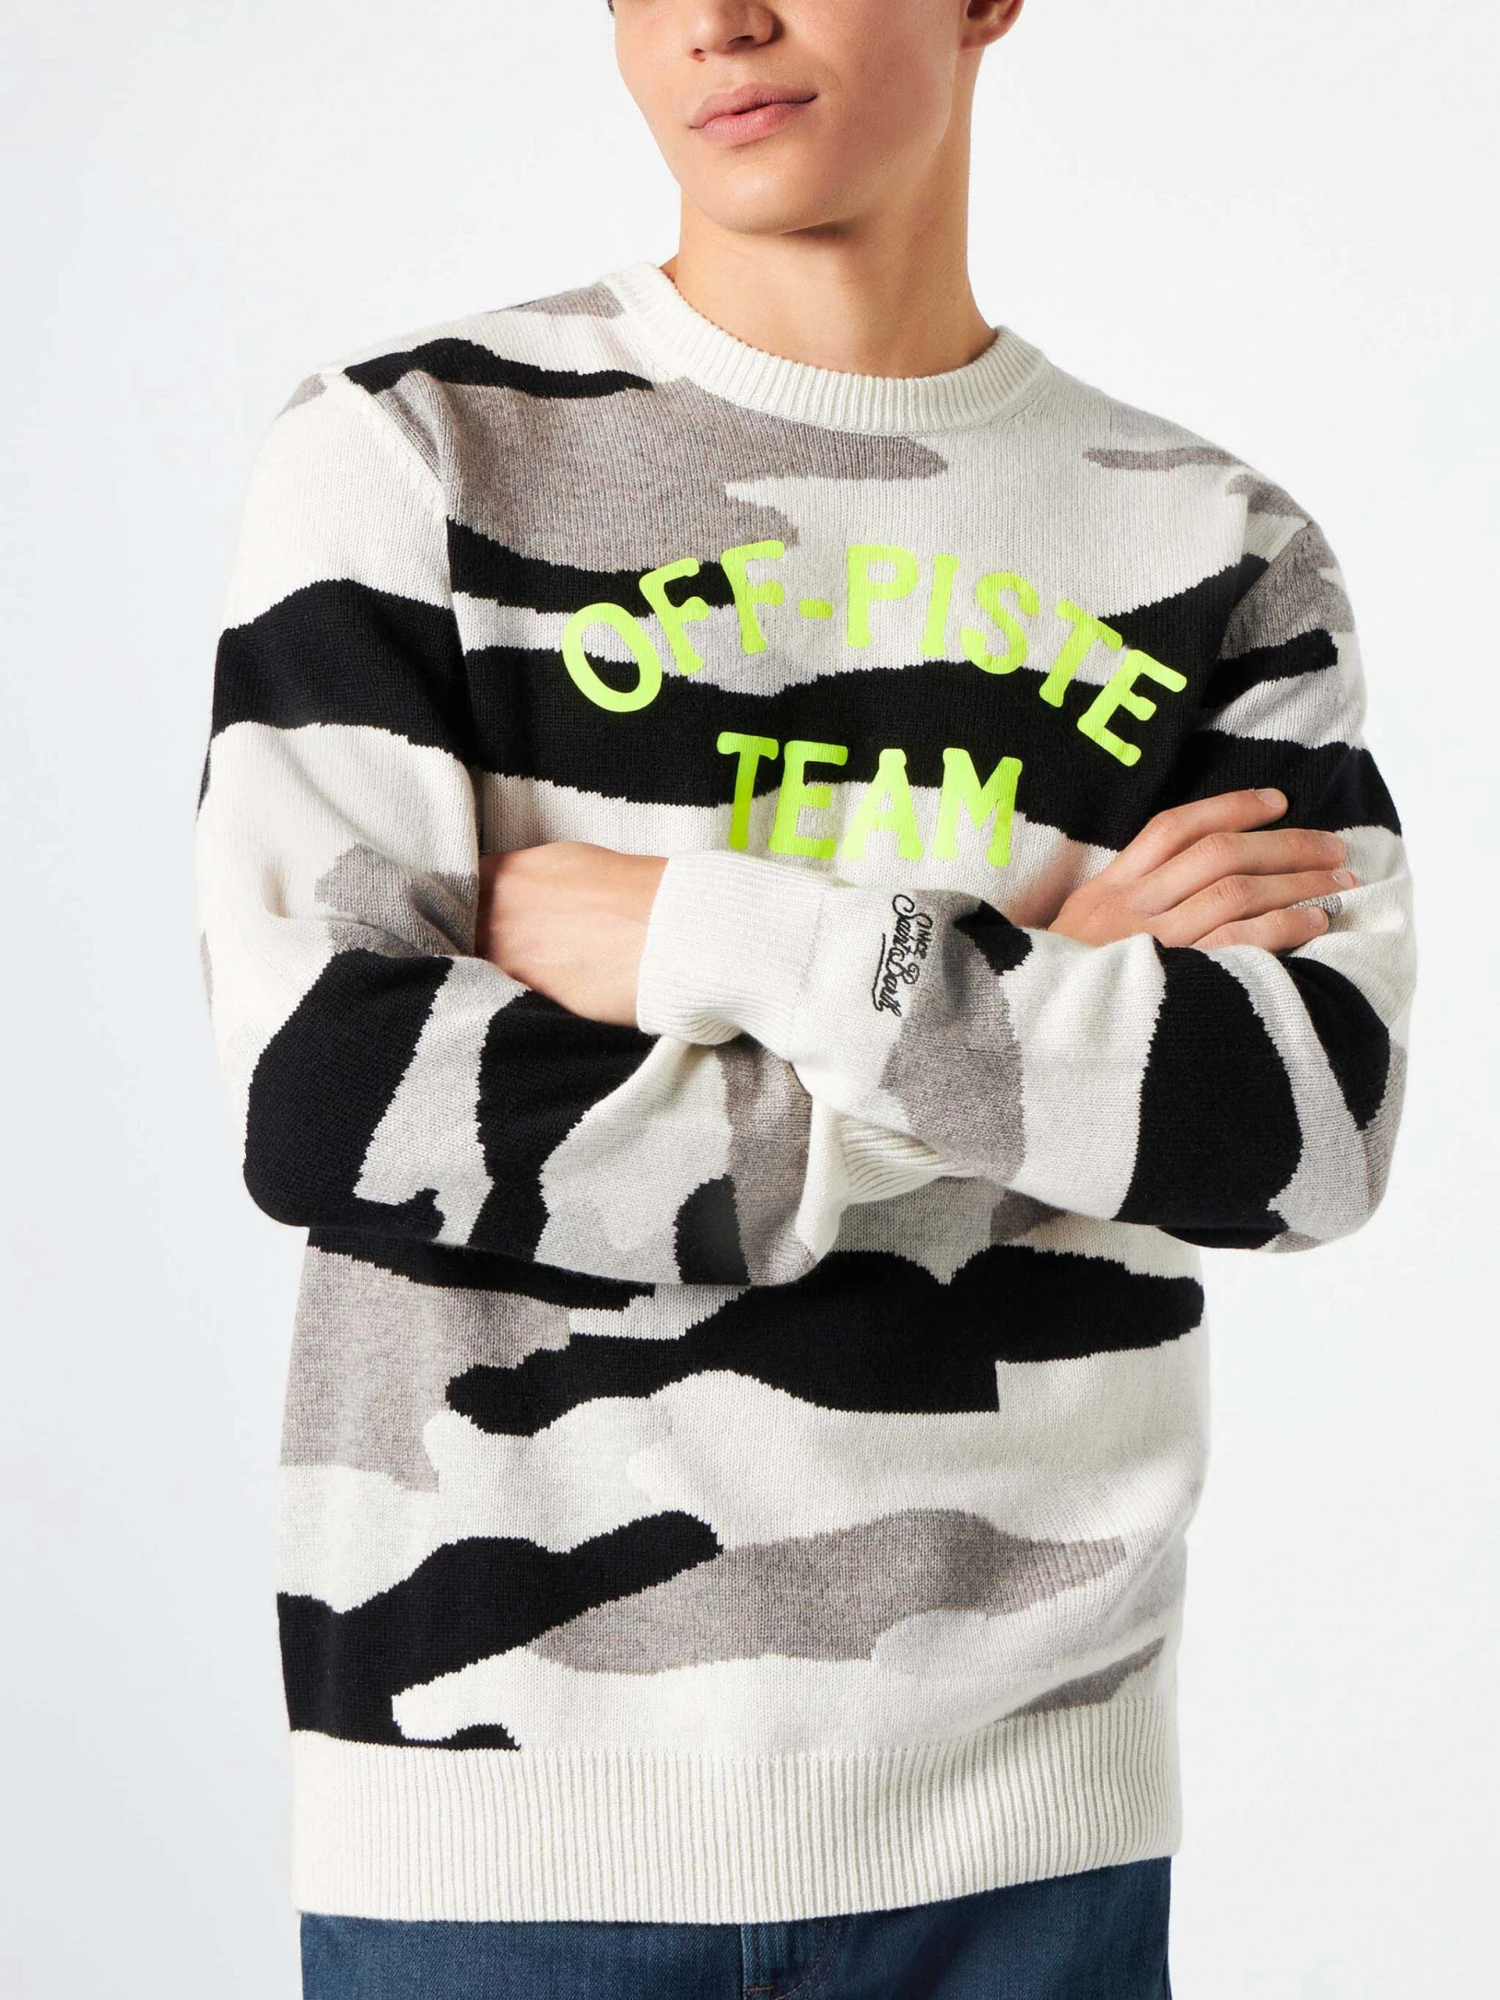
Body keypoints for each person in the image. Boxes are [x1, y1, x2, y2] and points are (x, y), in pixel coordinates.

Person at [193, 2, 1416, 1994]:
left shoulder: (1216, 548)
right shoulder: (410, 457)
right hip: (496, 1806)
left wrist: (723, 939)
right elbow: (338, 1104)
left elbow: (1306, 1131)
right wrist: (1044, 1013)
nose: (717, 20)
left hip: (1025, 1821)